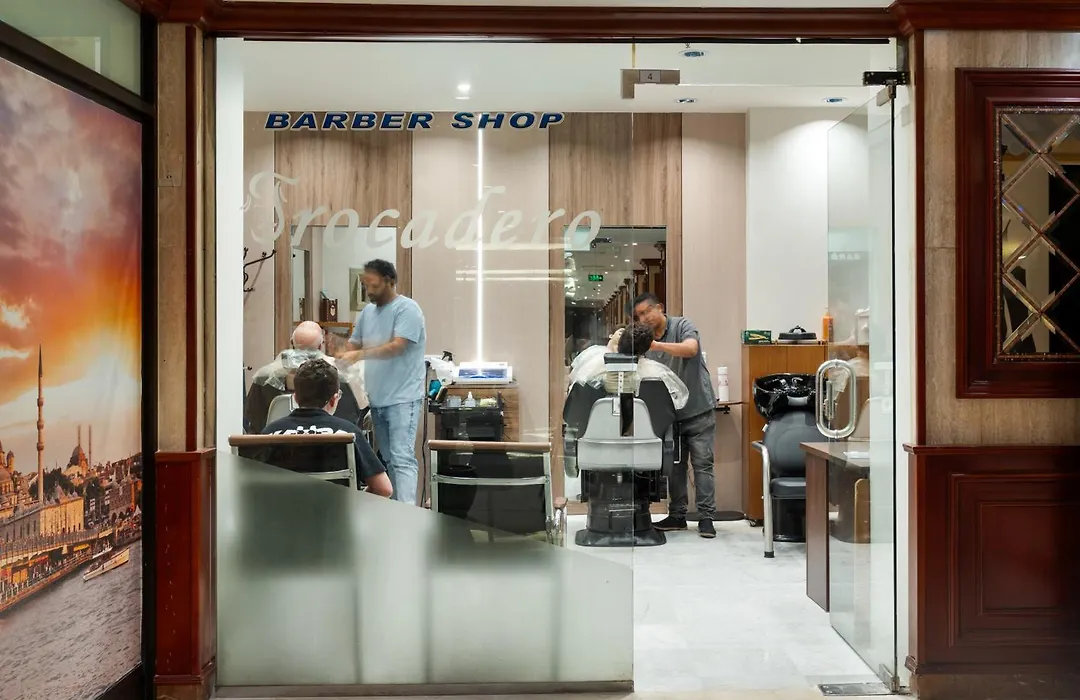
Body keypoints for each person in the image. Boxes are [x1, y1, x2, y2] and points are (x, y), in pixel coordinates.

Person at [339, 259, 427, 505]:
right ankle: (395, 509)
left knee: (402, 458)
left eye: (374, 285)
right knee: (388, 459)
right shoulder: (367, 313)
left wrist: (360, 354)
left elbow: (397, 347)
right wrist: (342, 353)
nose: (369, 291)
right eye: (366, 285)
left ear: (390, 281)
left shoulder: (407, 309)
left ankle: (407, 513)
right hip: (377, 399)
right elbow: (354, 343)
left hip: (403, 398)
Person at [633, 292, 717, 539]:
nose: (644, 318)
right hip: (671, 415)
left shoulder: (682, 326)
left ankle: (706, 518)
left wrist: (657, 346)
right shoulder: (645, 341)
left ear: (660, 307)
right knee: (675, 468)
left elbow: (691, 349)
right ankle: (678, 516)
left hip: (699, 410)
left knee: (702, 465)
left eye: (647, 311)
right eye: (639, 315)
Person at [262, 359, 392, 497]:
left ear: (295, 398)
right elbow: (384, 489)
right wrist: (354, 500)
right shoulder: (348, 433)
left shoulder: (270, 433)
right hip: (337, 510)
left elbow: (251, 484)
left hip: (283, 510)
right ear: (334, 399)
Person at [245, 321, 366, 433]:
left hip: (276, 442)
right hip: (329, 441)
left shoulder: (264, 377)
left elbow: (254, 419)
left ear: (292, 343)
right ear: (321, 345)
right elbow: (352, 417)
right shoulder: (340, 375)